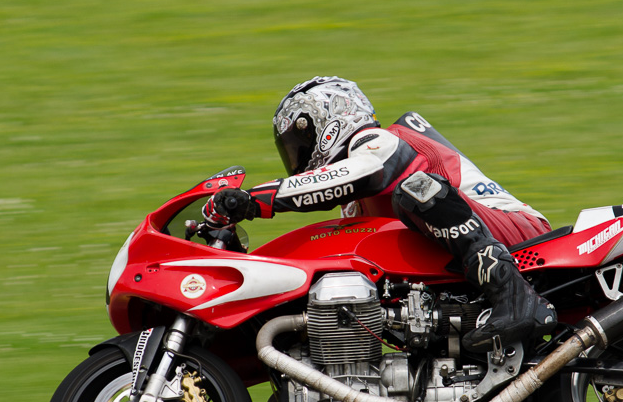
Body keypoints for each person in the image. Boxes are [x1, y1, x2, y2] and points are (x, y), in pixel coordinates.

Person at [203, 76, 555, 350]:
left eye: (301, 141)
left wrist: (252, 200)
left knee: (415, 190)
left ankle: (514, 295)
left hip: (518, 234)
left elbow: (353, 175)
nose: (298, 157)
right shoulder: (355, 202)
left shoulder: (379, 142)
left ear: (330, 119)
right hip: (459, 266)